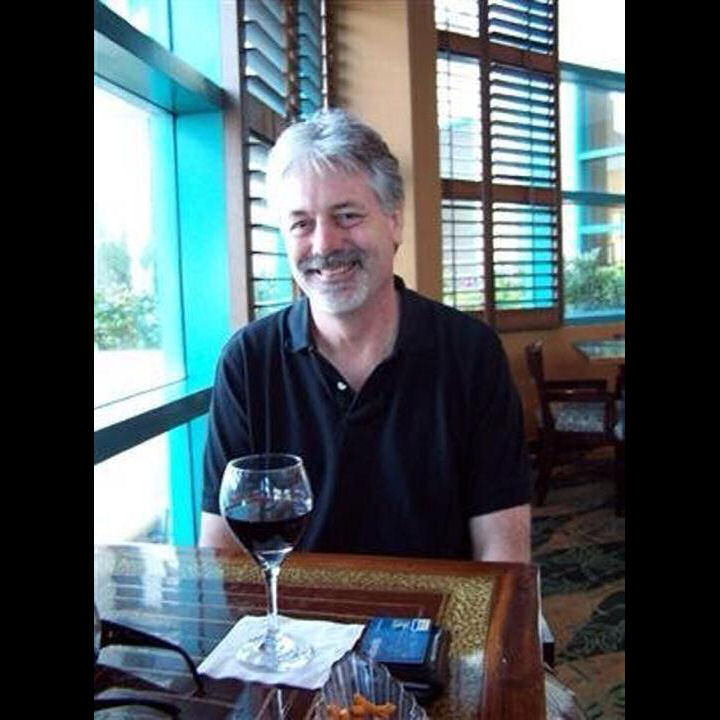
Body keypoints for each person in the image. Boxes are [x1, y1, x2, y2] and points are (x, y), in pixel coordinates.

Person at [199, 108, 531, 563]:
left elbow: (503, 549)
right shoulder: (248, 361)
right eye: (301, 223)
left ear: (394, 221)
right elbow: (220, 549)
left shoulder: (471, 353)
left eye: (347, 216)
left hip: (437, 607)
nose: (324, 245)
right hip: (293, 609)